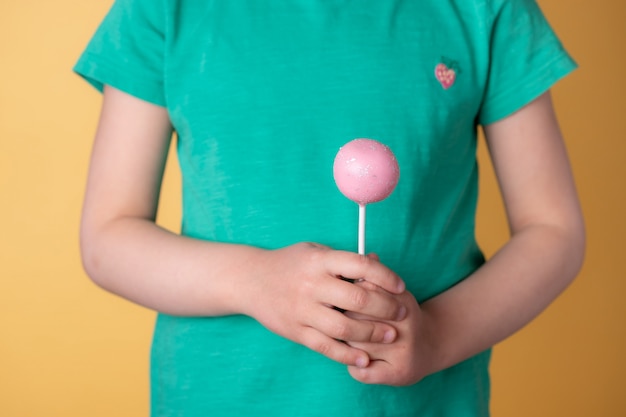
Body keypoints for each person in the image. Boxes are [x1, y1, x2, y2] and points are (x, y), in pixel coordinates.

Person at [75, 0, 585, 415]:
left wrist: (439, 337)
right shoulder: (164, 9)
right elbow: (109, 236)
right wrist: (253, 280)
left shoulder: (488, 9)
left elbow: (552, 230)